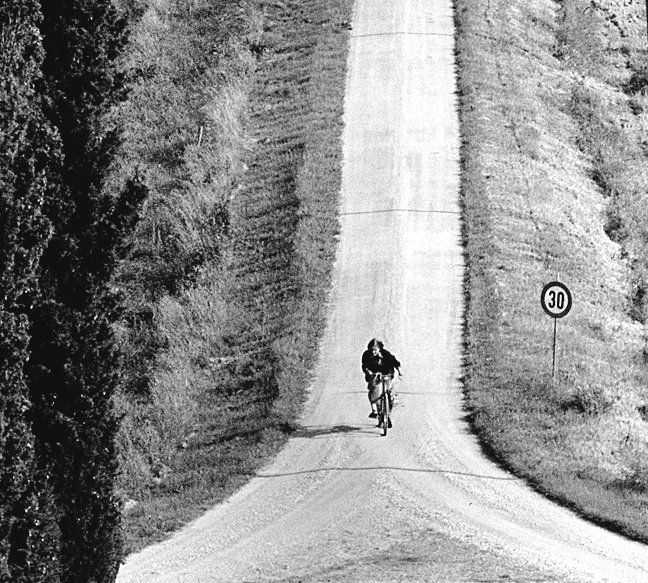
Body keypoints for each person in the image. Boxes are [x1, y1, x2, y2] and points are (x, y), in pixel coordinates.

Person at [361, 338, 402, 421]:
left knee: (390, 393)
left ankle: (388, 413)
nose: (373, 352)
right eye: (372, 350)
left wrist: (399, 370)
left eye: (375, 350)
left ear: (379, 349)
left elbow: (393, 361)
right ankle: (375, 410)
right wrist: (368, 372)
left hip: (387, 373)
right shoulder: (366, 355)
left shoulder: (384, 353)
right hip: (374, 375)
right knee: (373, 392)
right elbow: (364, 366)